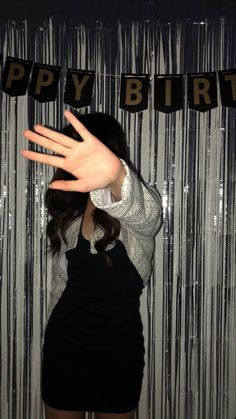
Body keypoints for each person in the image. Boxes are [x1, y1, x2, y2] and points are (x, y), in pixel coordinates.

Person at [21, 110, 162, 419]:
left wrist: (116, 176)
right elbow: (64, 283)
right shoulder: (68, 213)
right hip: (65, 344)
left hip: (118, 349)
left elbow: (146, 212)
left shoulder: (135, 206)